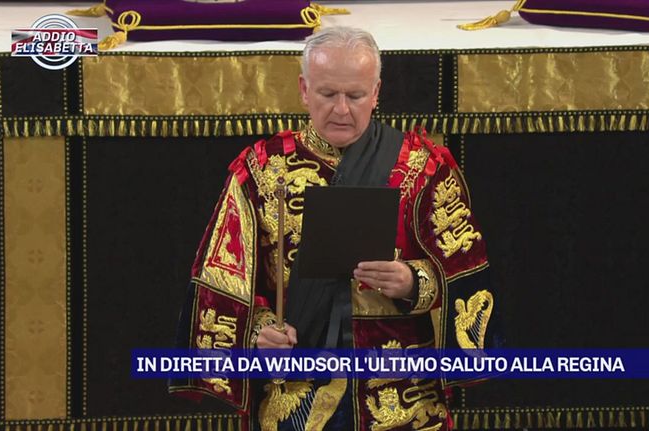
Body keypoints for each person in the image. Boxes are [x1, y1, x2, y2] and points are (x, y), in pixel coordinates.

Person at [170, 26, 496, 431]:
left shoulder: (423, 167)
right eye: (327, 94)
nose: (341, 110)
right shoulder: (261, 169)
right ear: (304, 90)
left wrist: (414, 282)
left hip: (402, 389)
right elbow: (221, 282)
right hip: (297, 387)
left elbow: (466, 274)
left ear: (376, 93)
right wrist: (259, 331)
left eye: (355, 96)